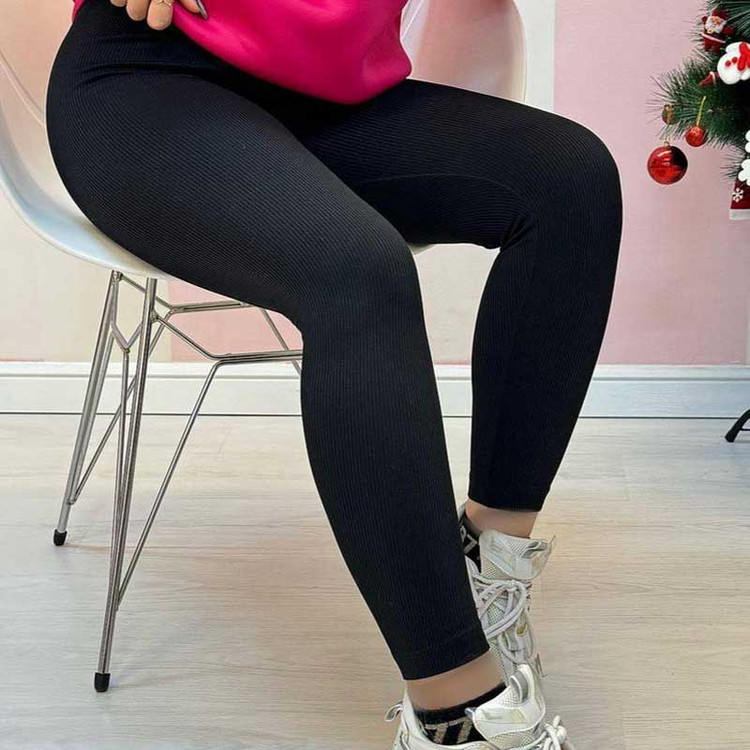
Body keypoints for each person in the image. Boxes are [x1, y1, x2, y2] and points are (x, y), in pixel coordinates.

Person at [45, 1, 622, 747]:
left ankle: (489, 570)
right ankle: (453, 711)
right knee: (359, 271)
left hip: (328, 100)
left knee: (570, 180)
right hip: (147, 81)